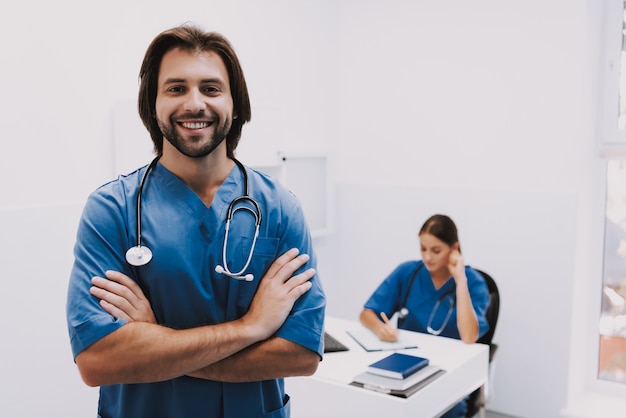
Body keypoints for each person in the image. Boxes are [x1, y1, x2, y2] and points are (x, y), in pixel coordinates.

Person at [66, 24, 326, 418]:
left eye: (210, 88)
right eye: (175, 88)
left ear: (235, 103)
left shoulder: (279, 208)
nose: (194, 103)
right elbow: (98, 361)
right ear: (151, 104)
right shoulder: (112, 210)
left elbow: (302, 354)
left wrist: (156, 344)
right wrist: (251, 328)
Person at [359, 214, 489, 418]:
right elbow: (367, 313)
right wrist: (380, 328)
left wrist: (460, 280)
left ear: (454, 249)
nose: (427, 257)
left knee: (445, 409)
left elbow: (469, 336)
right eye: (423, 249)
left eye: (436, 250)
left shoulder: (474, 283)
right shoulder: (407, 272)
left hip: (450, 372)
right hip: (408, 367)